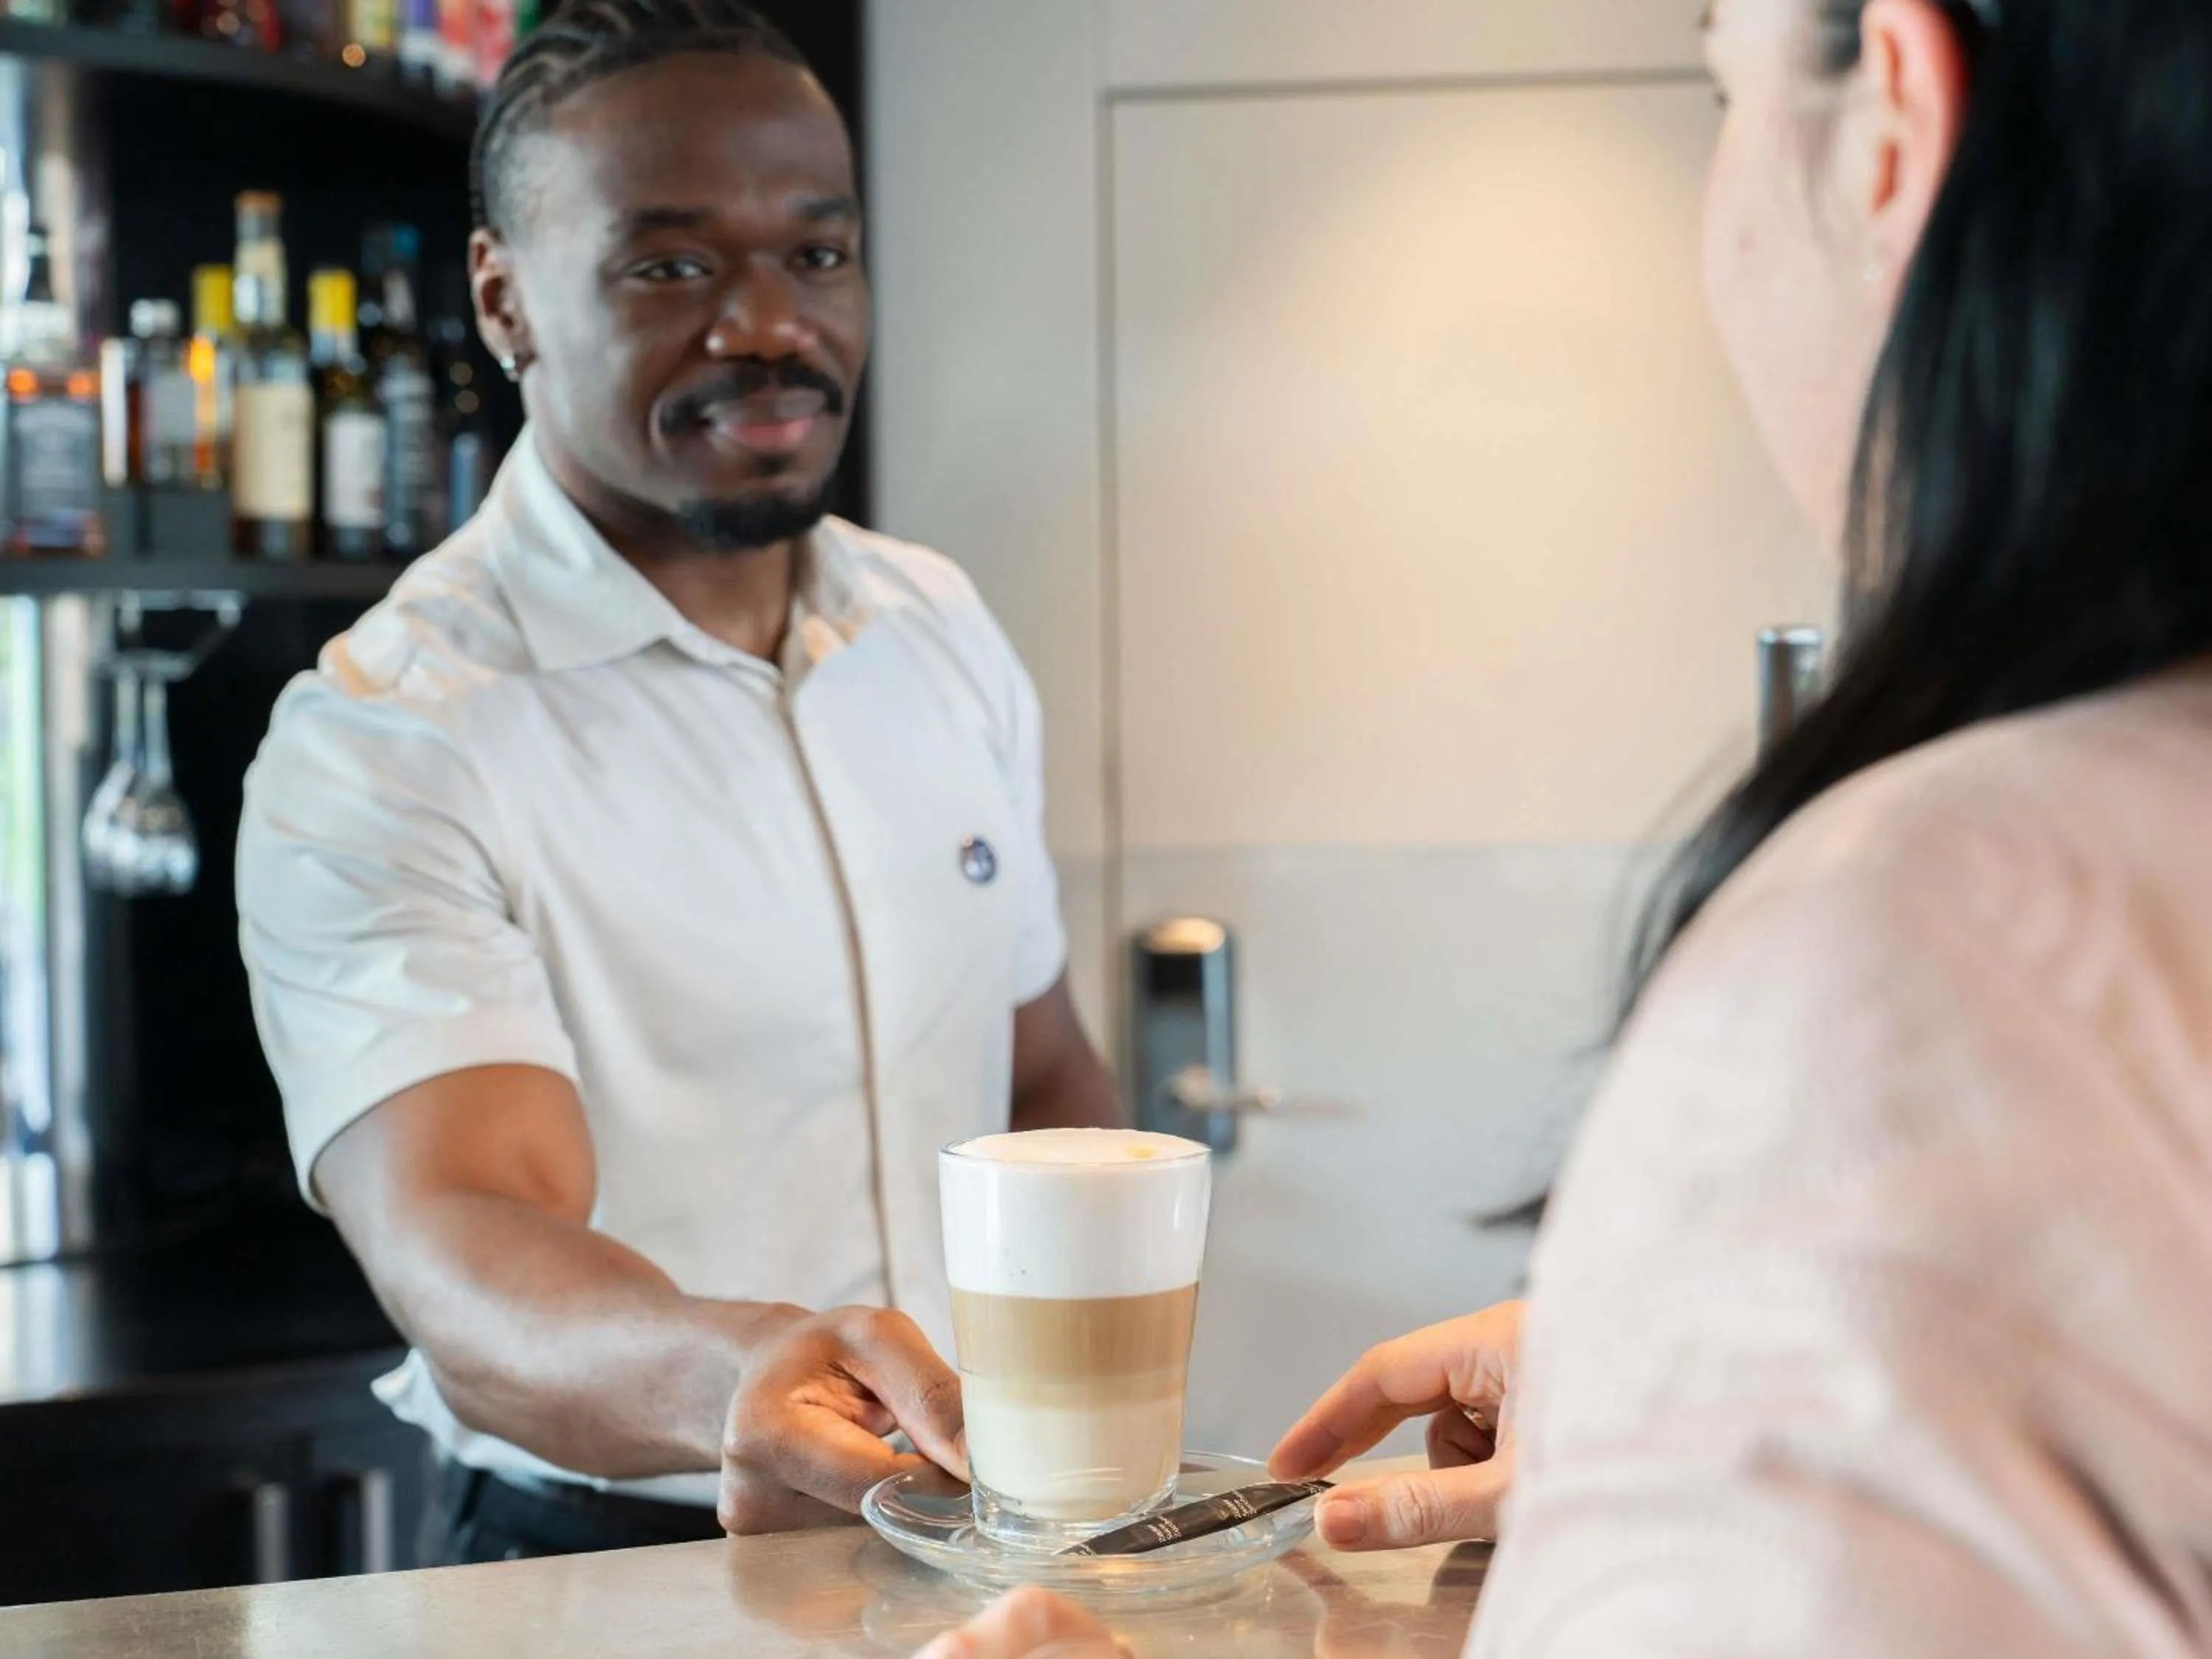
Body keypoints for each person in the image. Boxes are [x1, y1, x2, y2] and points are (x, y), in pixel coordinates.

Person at [935, 0, 2212, 1650]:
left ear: (1890, 110)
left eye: (1723, 89)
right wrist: (1687, 1374)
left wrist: (1745, 1332)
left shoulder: (1917, 958)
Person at [237, 0, 1121, 1565]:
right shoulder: (391, 734)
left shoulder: (939, 632)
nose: (765, 325)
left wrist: (1090, 1415)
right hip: (609, 1555)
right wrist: (747, 1376)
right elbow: (464, 1241)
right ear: (504, 300)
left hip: (979, 1539)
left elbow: (1041, 1076)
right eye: (670, 267)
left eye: (818, 254)